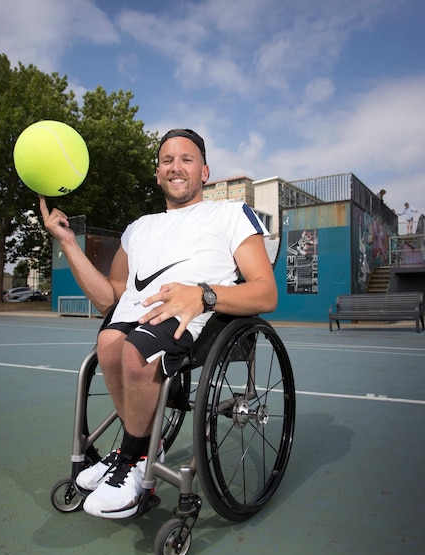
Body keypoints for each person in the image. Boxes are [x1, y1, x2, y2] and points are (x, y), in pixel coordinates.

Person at [39, 128, 277, 519]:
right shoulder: (139, 228)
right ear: (157, 173)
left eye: (187, 159)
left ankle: (134, 457)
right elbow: (107, 297)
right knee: (109, 345)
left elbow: (265, 293)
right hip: (140, 313)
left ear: (204, 171)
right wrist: (66, 242)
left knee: (135, 353)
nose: (176, 167)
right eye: (167, 160)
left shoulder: (231, 213)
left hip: (197, 312)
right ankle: (139, 450)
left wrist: (204, 294)